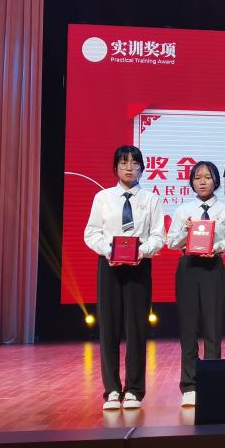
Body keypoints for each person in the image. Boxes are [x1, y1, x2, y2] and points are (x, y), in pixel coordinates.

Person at [83, 145, 164, 411]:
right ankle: (112, 390)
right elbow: (91, 233)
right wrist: (109, 251)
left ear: (142, 168)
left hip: (139, 266)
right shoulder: (103, 197)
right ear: (115, 167)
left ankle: (134, 390)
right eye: (124, 162)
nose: (129, 167)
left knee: (137, 329)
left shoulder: (151, 199)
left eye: (134, 163)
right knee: (109, 329)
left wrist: (142, 251)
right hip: (109, 266)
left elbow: (158, 236)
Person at [166, 161, 225, 407]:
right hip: (188, 268)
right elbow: (171, 242)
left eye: (207, 177)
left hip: (213, 268)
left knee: (213, 327)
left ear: (216, 181)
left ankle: (212, 382)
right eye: (197, 177)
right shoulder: (183, 210)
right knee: (188, 328)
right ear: (191, 182)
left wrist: (217, 246)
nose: (202, 181)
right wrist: (186, 231)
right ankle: (189, 385)